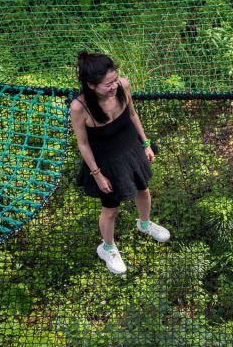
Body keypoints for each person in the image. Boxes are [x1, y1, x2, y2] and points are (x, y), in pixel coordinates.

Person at [70, 51, 170, 274]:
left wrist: (145, 144)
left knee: (143, 190)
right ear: (91, 85)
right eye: (108, 84)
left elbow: (133, 114)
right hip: (106, 160)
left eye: (115, 79)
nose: (114, 85)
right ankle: (108, 248)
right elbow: (83, 144)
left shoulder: (123, 86)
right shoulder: (80, 107)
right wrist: (97, 174)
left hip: (130, 148)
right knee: (110, 210)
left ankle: (144, 224)